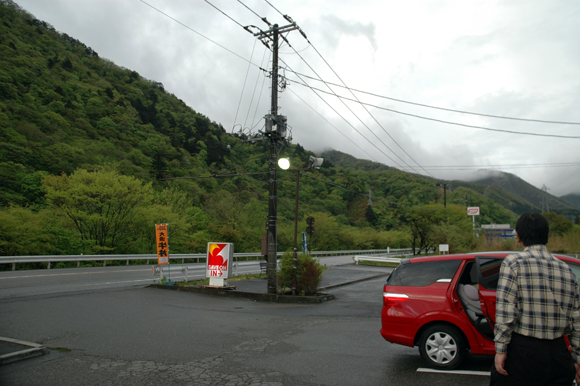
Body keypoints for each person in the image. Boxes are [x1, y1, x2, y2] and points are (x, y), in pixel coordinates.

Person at [491, 212, 580, 385]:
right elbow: (577, 320)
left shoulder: (513, 263)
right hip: (559, 353)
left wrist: (501, 349)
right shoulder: (566, 270)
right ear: (547, 236)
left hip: (523, 353)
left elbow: (506, 311)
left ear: (517, 236)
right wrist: (577, 358)